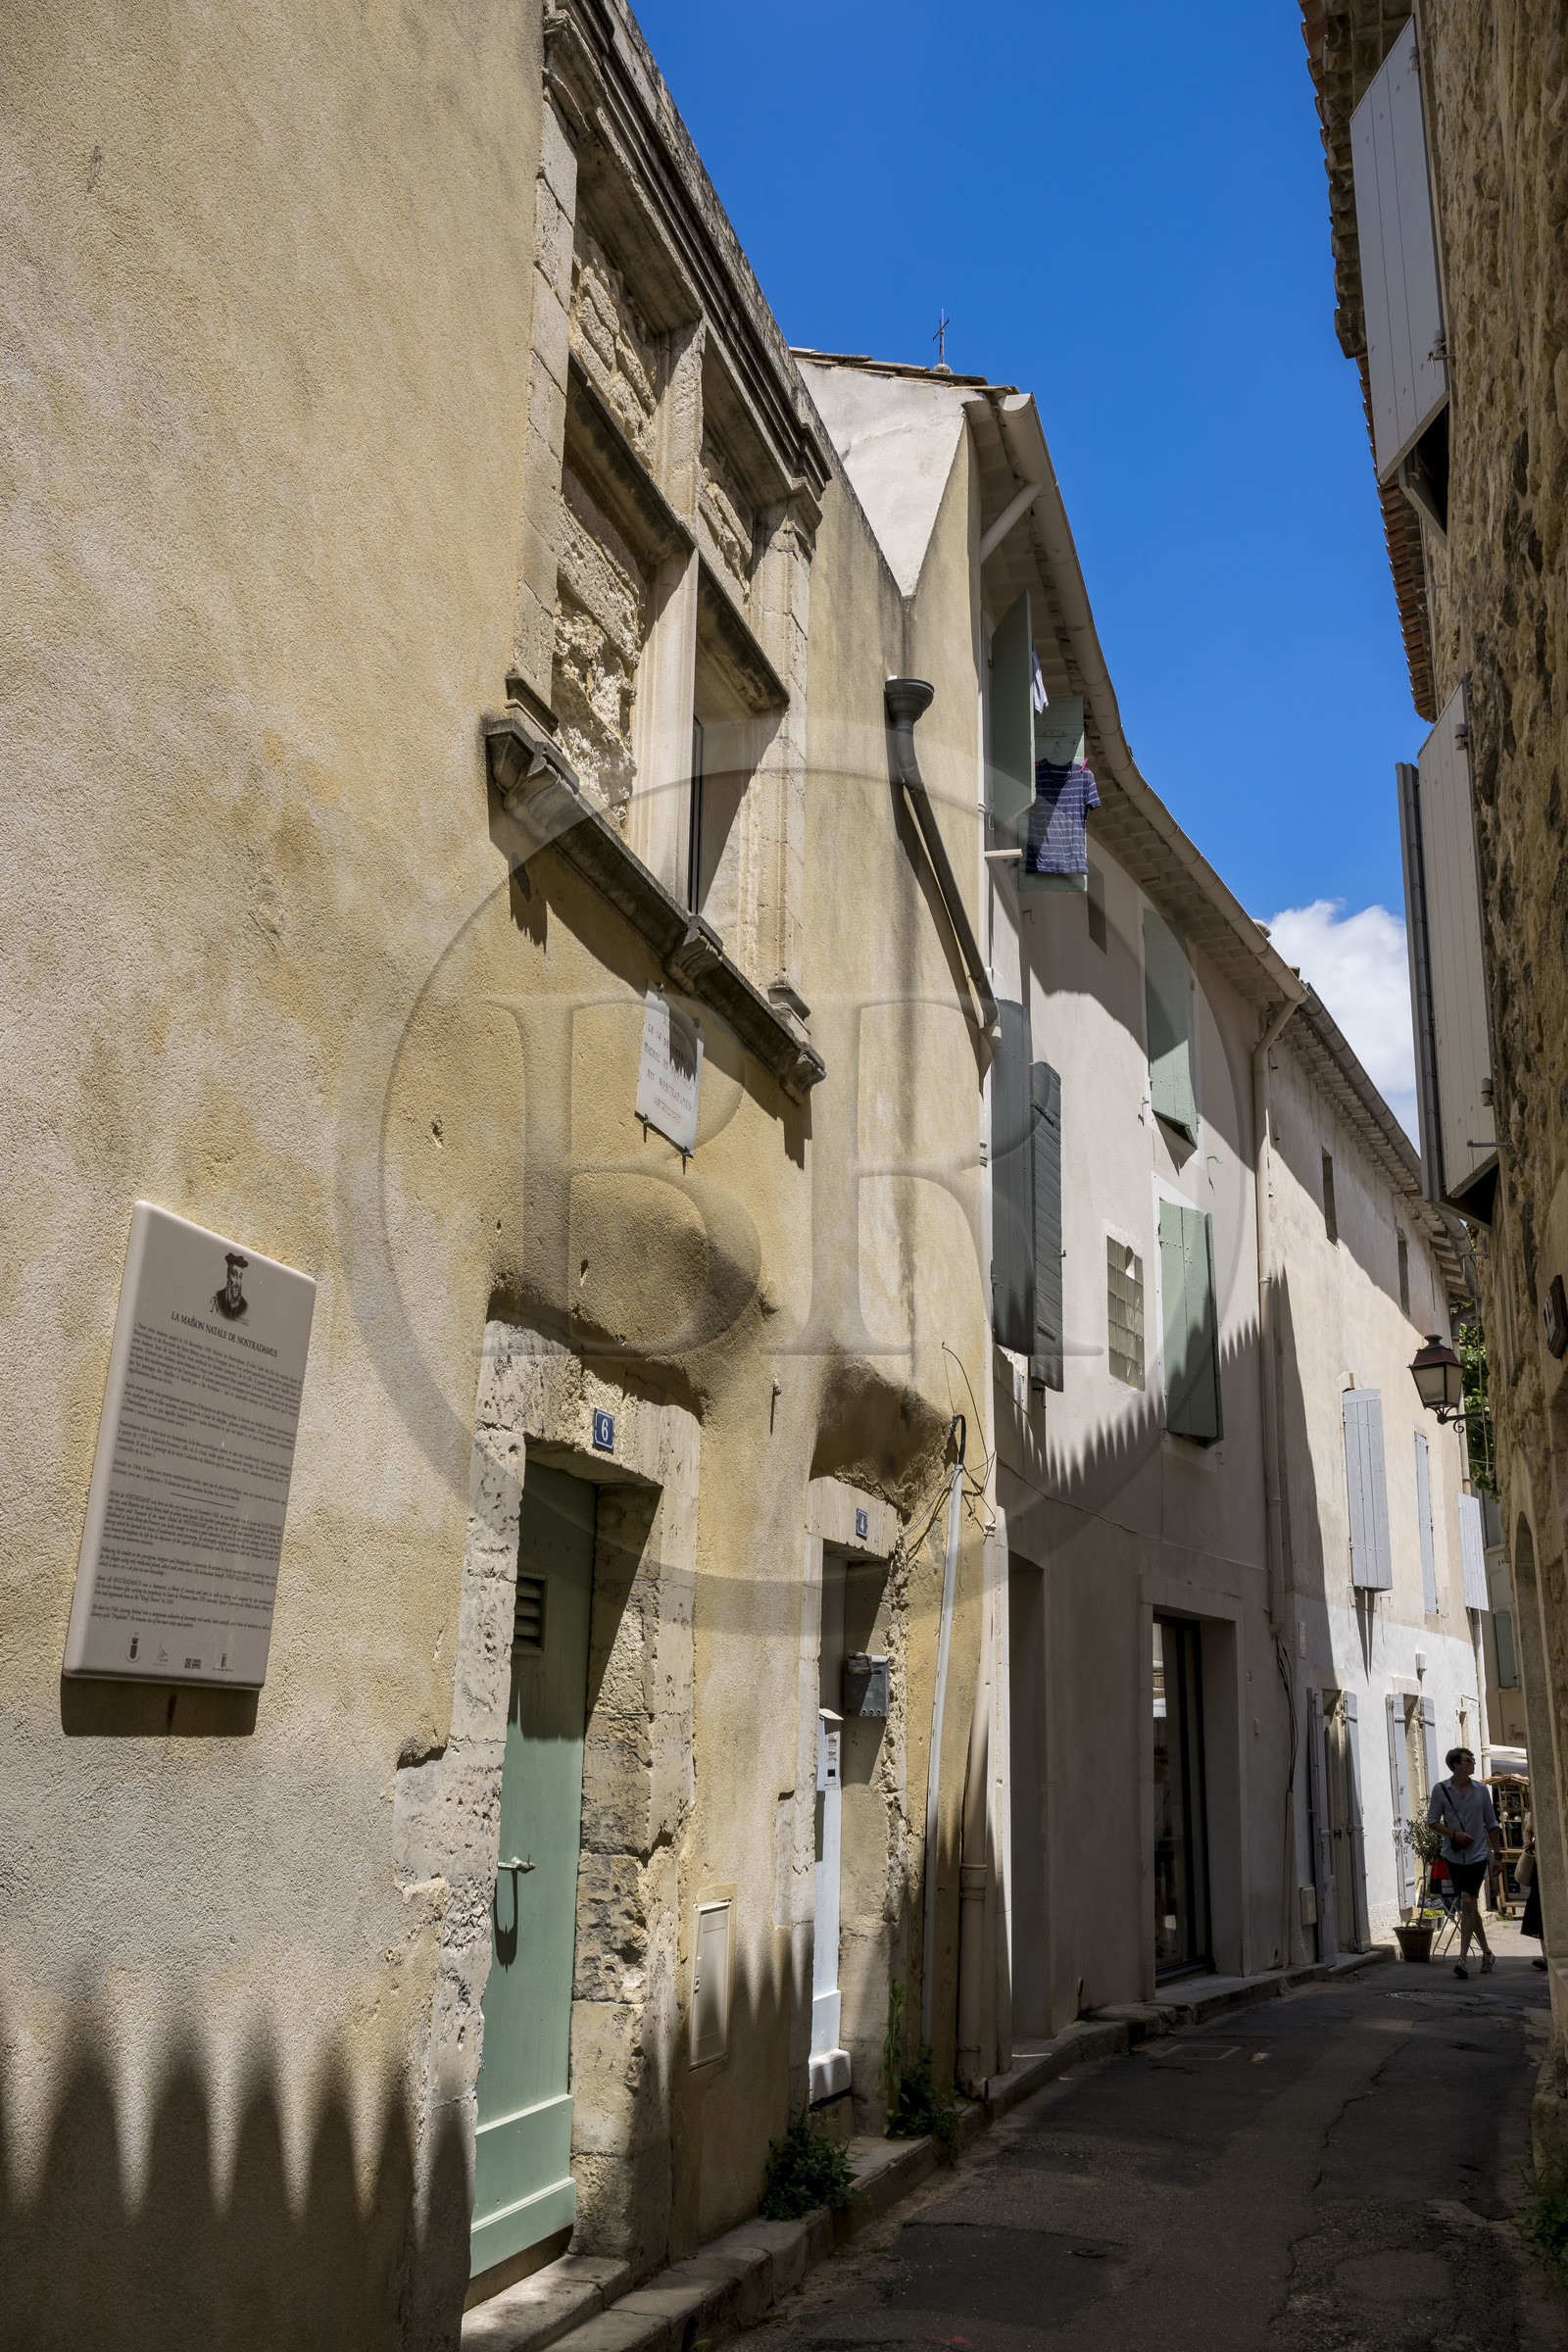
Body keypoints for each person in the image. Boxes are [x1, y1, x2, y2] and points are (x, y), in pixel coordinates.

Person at [1428, 1746, 1499, 1978]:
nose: (1473, 1764)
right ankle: (1487, 1953)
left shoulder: (1481, 1790)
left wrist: (1497, 1855)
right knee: (1469, 1905)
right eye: (1468, 1761)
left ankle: (1462, 1959)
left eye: (1473, 1760)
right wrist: (1454, 1834)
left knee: (1468, 1899)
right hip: (1454, 1854)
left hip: (1478, 1854)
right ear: (1456, 1765)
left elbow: (1492, 1824)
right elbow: (1432, 1822)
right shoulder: (1440, 1790)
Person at [1521, 1809, 1547, 1969]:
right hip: (1541, 1861)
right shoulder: (1537, 1810)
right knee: (1540, 1907)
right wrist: (1527, 1842)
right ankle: (1545, 1955)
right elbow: (1527, 1830)